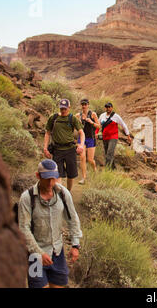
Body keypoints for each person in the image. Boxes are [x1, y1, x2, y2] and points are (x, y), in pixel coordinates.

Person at [17, 159, 82, 289]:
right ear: (38, 176)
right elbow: (24, 228)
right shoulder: (27, 198)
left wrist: (75, 245)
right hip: (34, 256)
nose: (51, 183)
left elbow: (72, 219)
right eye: (47, 179)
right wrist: (39, 253)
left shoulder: (63, 194)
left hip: (57, 253)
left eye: (54, 178)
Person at [43, 99, 85, 191]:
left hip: (70, 150)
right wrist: (45, 148)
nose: (63, 110)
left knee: (71, 175)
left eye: (65, 108)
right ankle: (60, 194)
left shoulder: (72, 118)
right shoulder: (53, 118)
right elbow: (47, 133)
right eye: (61, 108)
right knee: (58, 174)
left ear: (69, 108)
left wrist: (81, 145)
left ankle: (68, 192)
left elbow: (81, 133)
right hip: (57, 150)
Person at [96, 102, 132, 169]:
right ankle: (113, 168)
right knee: (107, 154)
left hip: (113, 137)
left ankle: (107, 170)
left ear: (112, 108)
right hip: (105, 137)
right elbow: (98, 125)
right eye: (106, 107)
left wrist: (128, 136)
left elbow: (123, 125)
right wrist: (96, 133)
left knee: (109, 153)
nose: (108, 108)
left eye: (109, 107)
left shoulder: (116, 116)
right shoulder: (102, 116)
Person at [75, 99, 100, 185]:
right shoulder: (78, 115)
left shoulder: (93, 114)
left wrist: (91, 122)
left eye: (85, 104)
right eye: (82, 104)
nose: (83, 106)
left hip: (90, 138)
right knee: (82, 157)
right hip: (81, 138)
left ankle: (94, 169)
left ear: (88, 105)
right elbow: (72, 122)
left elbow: (99, 126)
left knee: (90, 159)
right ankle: (84, 177)